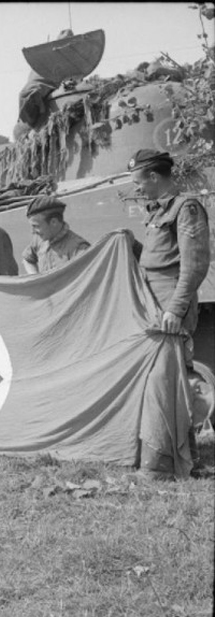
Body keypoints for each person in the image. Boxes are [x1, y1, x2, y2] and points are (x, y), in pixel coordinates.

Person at [129, 149, 210, 479]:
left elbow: (194, 265)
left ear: (153, 176)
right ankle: (185, 458)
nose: (138, 189)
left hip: (170, 306)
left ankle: (163, 464)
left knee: (166, 381)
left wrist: (176, 309)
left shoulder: (186, 208)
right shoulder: (155, 211)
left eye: (140, 182)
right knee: (168, 381)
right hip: (155, 303)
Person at [22, 195, 90, 274]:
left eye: (36, 226)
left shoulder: (79, 249)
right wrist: (35, 278)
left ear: (53, 222)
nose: (32, 231)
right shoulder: (39, 239)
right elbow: (27, 259)